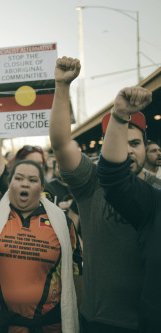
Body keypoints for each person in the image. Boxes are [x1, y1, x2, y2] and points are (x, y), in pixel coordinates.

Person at [49, 57, 161, 332]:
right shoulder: (90, 180)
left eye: (135, 143)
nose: (128, 151)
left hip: (146, 320)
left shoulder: (156, 192)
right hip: (98, 318)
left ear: (146, 146)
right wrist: (62, 86)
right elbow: (61, 143)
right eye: (120, 143)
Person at [0, 115, 81, 333]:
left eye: (32, 180)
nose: (25, 183)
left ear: (42, 187)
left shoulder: (60, 220)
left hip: (49, 325)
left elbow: (76, 273)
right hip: (0, 324)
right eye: (19, 178)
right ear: (10, 183)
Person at [96, 86, 160, 332]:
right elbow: (113, 176)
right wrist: (120, 115)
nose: (128, 150)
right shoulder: (154, 203)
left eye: (134, 143)